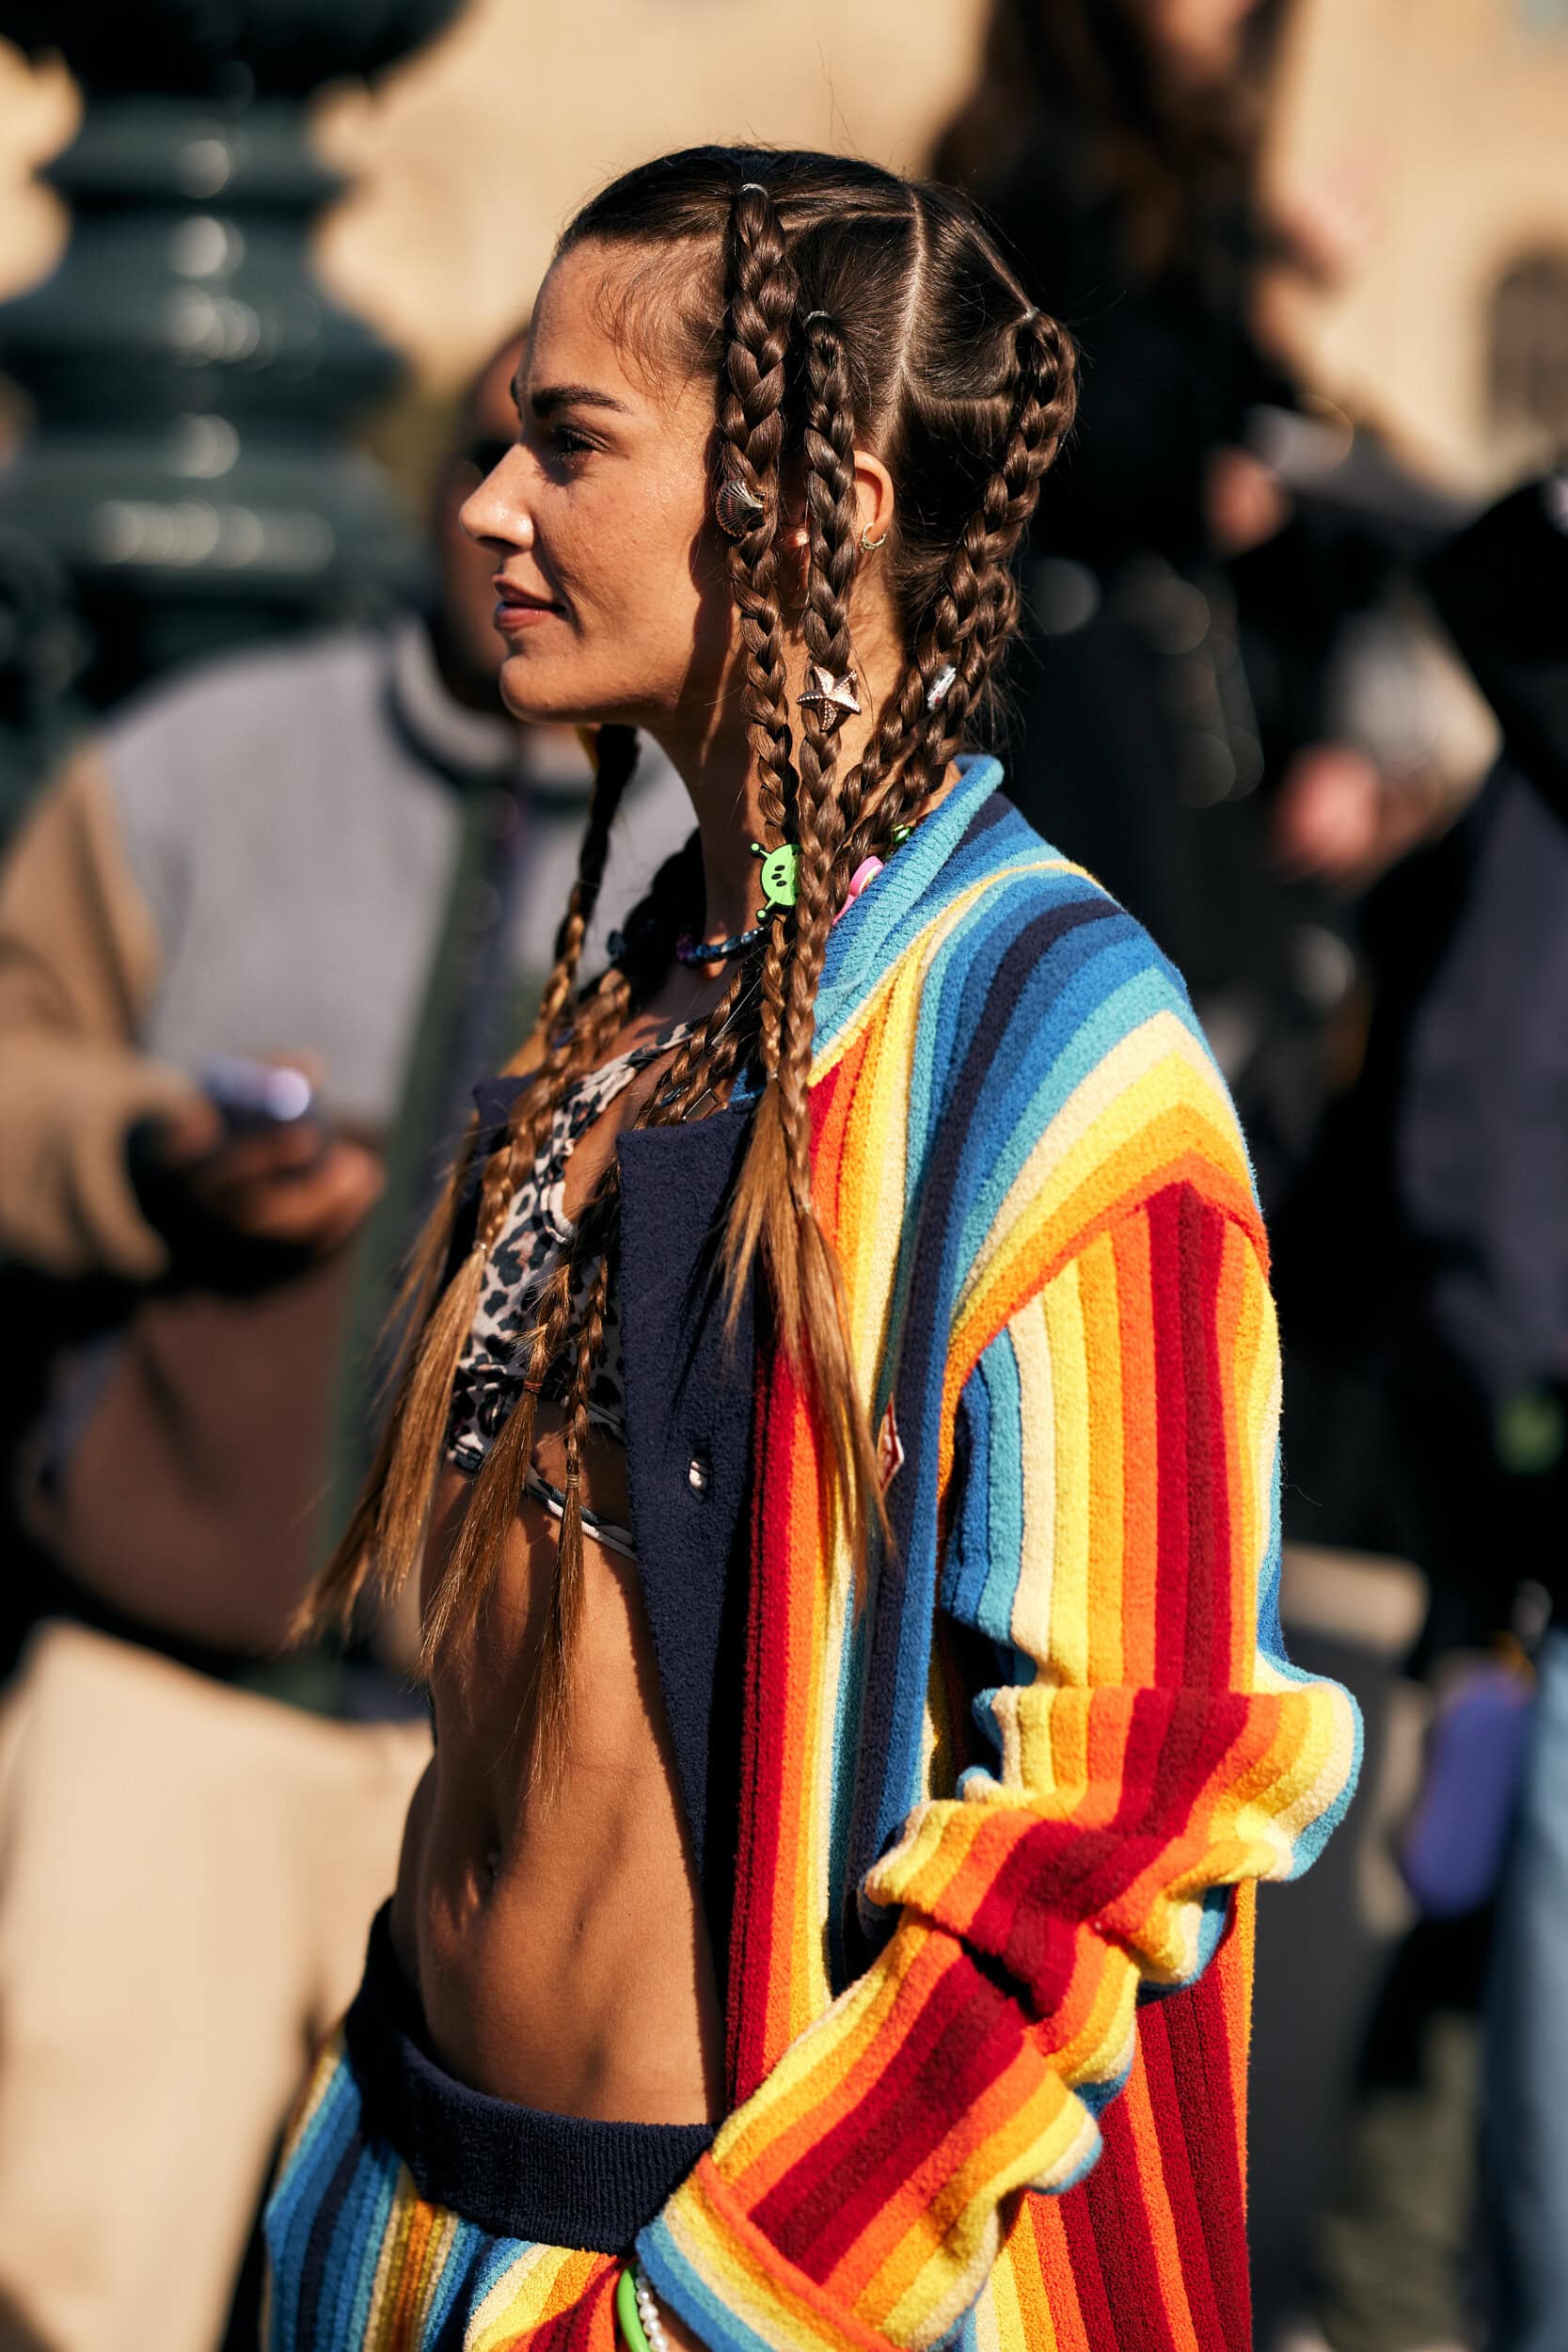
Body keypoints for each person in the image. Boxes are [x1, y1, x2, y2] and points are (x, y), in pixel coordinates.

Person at [262, 149, 1359, 2352]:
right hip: (428, 2220)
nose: (486, 505)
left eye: (567, 442)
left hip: (722, 2290)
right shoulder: (661, 970)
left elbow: (1118, 1807)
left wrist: (715, 2309)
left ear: (814, 504)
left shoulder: (1054, 1047)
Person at [0, 335, 689, 2352]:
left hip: (516, 1764)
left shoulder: (730, 867)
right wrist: (147, 1150)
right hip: (169, 1698)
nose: (510, 508)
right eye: (493, 444)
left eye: (572, 454)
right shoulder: (203, 762)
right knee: (63, 2285)